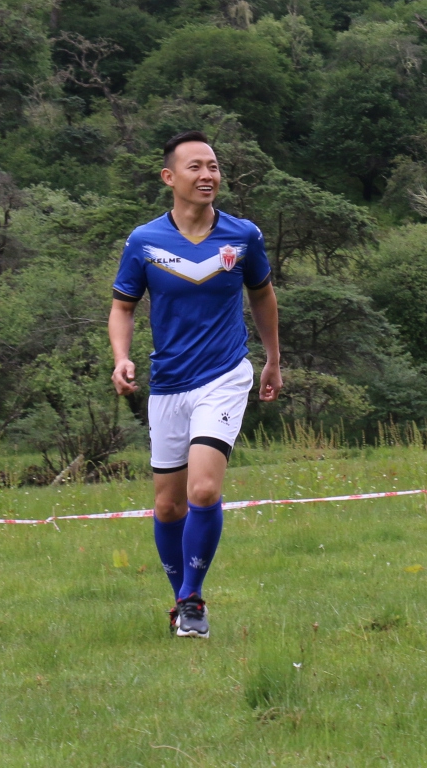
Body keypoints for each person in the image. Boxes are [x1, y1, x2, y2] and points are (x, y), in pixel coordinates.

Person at [110, 131, 282, 639]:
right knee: (168, 504)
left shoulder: (242, 235)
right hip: (167, 384)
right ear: (169, 177)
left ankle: (192, 601)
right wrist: (122, 358)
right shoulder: (144, 241)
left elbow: (263, 296)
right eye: (195, 167)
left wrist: (272, 359)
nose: (208, 175)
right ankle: (182, 598)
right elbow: (122, 308)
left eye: (214, 166)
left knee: (203, 490)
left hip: (225, 376)